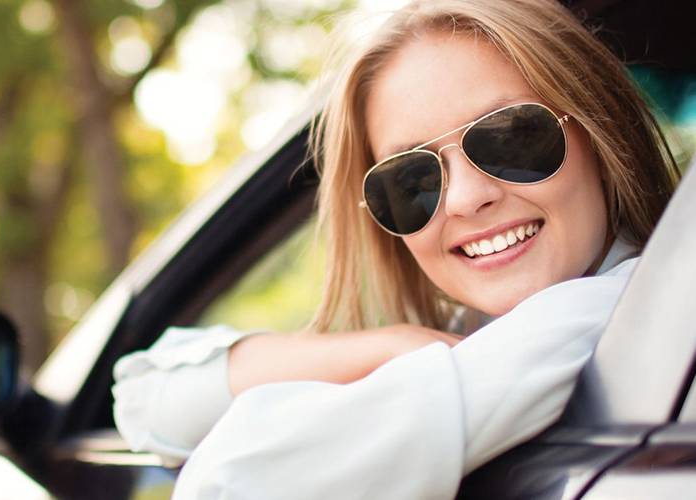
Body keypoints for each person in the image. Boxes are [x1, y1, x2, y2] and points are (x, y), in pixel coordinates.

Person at [112, 0, 681, 498]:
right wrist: (390, 347)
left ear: (601, 135)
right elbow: (144, 395)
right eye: (412, 182)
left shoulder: (619, 312)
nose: (463, 199)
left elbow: (237, 482)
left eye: (512, 136)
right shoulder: (471, 336)